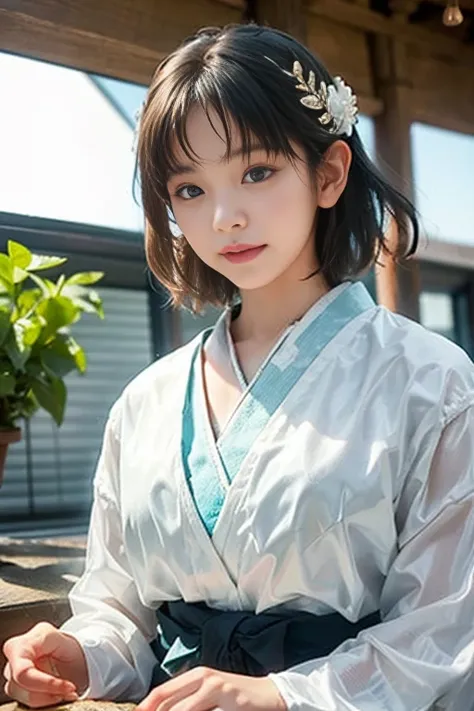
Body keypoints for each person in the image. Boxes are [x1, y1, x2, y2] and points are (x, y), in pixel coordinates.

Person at [3, 22, 474, 711]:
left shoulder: (432, 382)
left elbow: (448, 624)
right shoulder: (144, 404)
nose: (225, 216)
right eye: (189, 189)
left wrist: (287, 692)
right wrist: (78, 654)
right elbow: (122, 609)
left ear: (329, 172)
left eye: (256, 171)